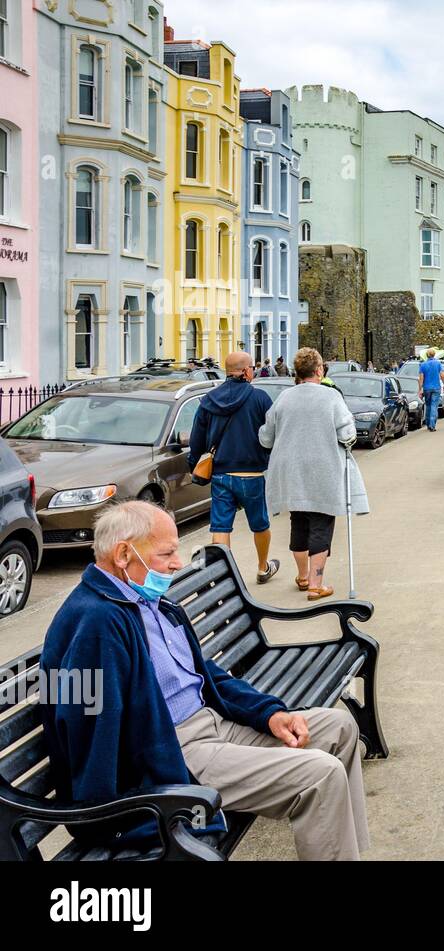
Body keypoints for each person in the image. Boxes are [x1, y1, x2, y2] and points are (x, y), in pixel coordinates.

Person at [40, 501, 369, 860]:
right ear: (123, 554)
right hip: (178, 755)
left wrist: (269, 714)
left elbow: (203, 673)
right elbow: (86, 725)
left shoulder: (148, 602)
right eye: (167, 553)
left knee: (339, 726)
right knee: (320, 774)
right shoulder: (95, 624)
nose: (178, 563)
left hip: (215, 724)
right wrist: (107, 815)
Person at [259, 348, 367, 601]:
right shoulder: (330, 397)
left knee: (298, 521)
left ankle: (303, 576)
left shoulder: (284, 398)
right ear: (319, 370)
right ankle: (316, 584)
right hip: (322, 468)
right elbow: (348, 435)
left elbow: (266, 438)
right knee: (321, 524)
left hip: (291, 470)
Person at [187, 351, 279, 584]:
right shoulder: (260, 399)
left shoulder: (209, 400)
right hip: (252, 473)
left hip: (220, 474)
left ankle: (224, 576)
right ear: (247, 371)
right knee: (260, 524)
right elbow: (271, 434)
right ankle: (262, 567)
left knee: (220, 526)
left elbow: (197, 439)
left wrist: (194, 467)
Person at [418, 350, 444, 431]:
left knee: (428, 405)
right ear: (434, 355)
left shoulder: (423, 365)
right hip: (436, 387)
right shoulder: (438, 363)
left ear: (427, 355)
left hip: (427, 388)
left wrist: (420, 389)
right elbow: (442, 375)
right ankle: (432, 424)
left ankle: (428, 423)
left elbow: (421, 378)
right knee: (434, 406)